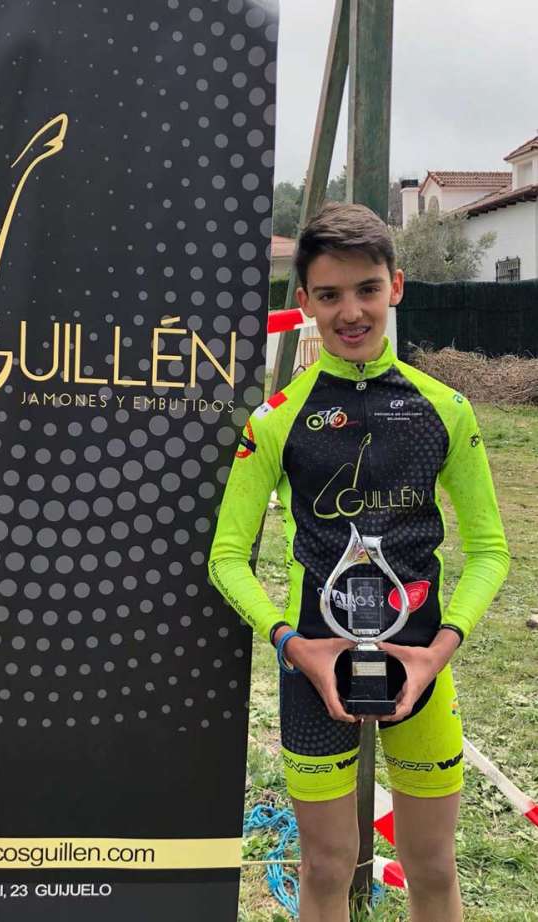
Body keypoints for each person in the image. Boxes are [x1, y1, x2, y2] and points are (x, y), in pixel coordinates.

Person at [208, 202, 509, 922]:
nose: (352, 311)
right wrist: (293, 645)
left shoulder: (447, 408)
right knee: (325, 868)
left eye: (367, 289)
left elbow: (492, 551)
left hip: (423, 668)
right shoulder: (276, 417)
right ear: (304, 301)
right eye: (331, 294)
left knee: (434, 870)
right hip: (313, 673)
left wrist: (438, 652)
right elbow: (227, 558)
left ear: (396, 287)